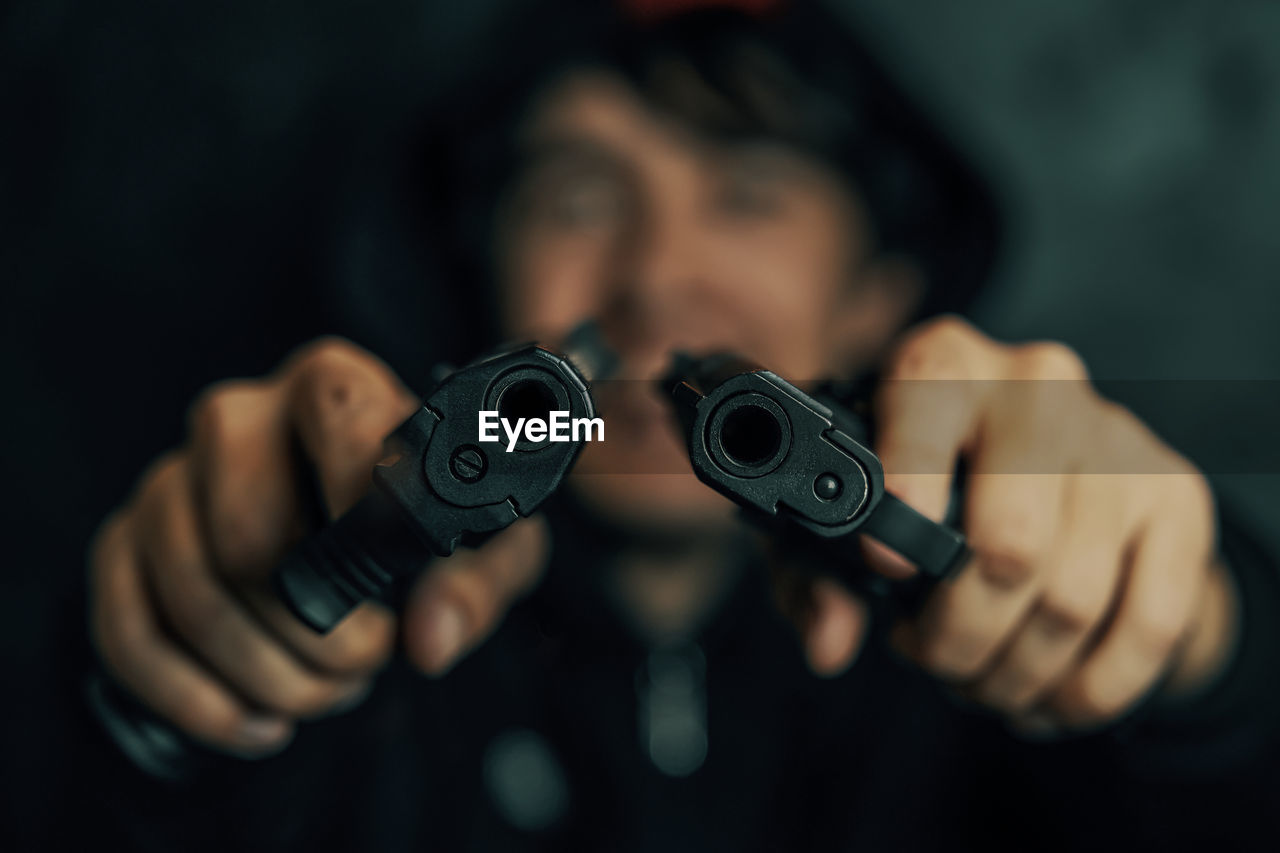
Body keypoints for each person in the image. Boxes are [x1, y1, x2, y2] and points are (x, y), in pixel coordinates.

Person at [76, 1, 1280, 851]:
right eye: (578, 196)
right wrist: (188, 677)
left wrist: (1199, 646)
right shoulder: (383, 688)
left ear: (878, 295)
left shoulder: (960, 699)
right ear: (481, 284)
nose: (654, 277)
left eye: (748, 194)